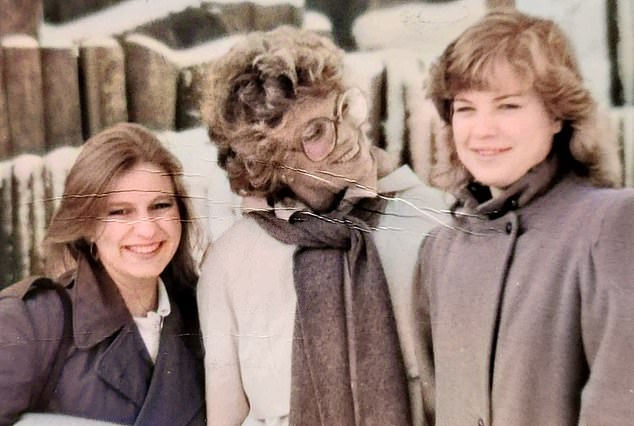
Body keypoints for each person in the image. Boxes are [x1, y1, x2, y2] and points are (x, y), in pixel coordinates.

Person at [197, 26, 446, 425]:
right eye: (315, 132)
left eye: (344, 109)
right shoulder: (231, 263)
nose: (347, 135)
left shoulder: (425, 220)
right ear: (268, 161)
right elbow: (226, 416)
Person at [417, 8, 634, 426]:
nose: (482, 130)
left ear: (557, 115)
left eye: (508, 106)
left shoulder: (611, 223)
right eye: (465, 109)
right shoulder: (440, 249)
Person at [0, 123, 206, 425]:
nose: (148, 229)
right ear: (87, 226)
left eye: (160, 205)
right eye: (119, 211)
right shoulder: (31, 322)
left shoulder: (205, 316)